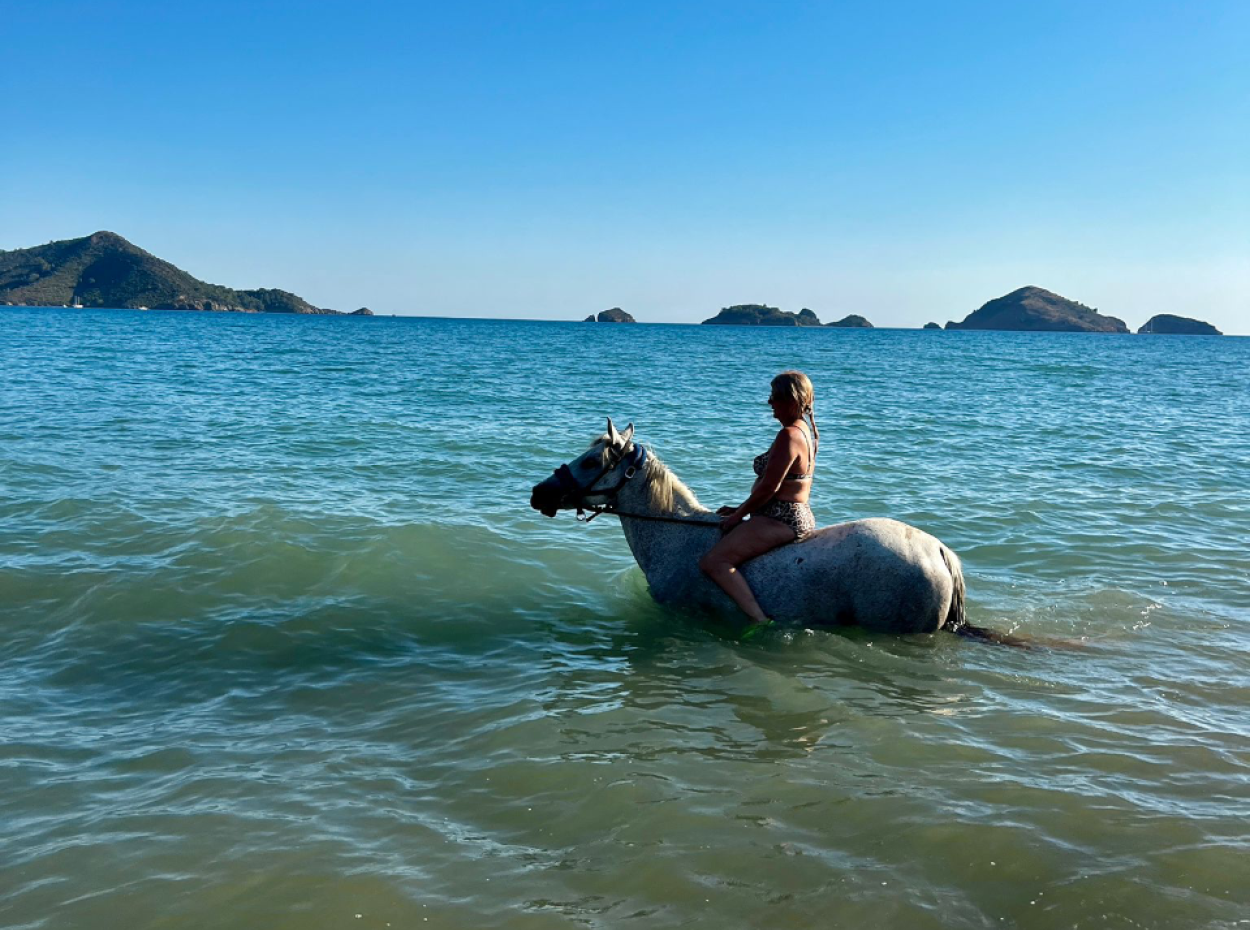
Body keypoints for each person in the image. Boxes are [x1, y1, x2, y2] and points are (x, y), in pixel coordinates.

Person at [698, 371, 819, 635]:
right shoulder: (804, 431)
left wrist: (736, 517)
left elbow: (769, 487)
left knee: (714, 561)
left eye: (775, 397)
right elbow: (779, 485)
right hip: (786, 512)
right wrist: (739, 508)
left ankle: (758, 620)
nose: (769, 402)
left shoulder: (789, 435)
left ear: (792, 400)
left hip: (782, 517)